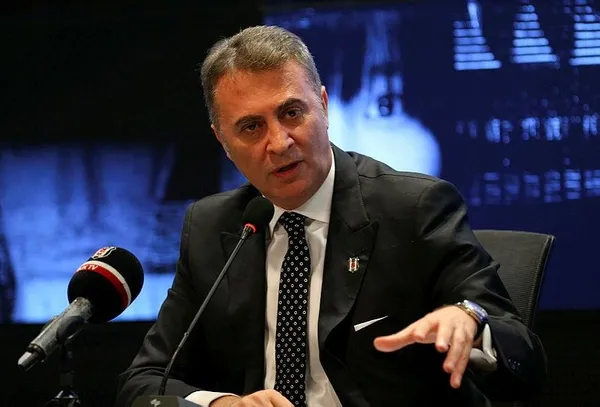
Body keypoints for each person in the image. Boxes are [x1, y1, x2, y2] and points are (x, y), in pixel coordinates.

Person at [116, 25, 547, 407]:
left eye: (291, 113)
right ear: (223, 141)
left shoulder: (414, 208)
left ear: (323, 106)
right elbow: (144, 382)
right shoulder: (213, 227)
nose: (279, 142)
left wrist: (471, 322)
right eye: (251, 127)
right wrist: (223, 404)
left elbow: (522, 354)